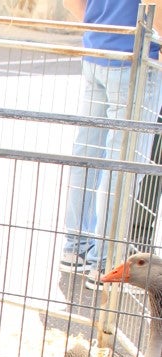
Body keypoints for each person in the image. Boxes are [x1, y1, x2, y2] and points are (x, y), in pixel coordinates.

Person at [60, 0, 162, 279]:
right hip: (136, 57)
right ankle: (105, 260)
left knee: (88, 157)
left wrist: (97, 27)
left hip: (96, 50)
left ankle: (76, 248)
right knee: (125, 165)